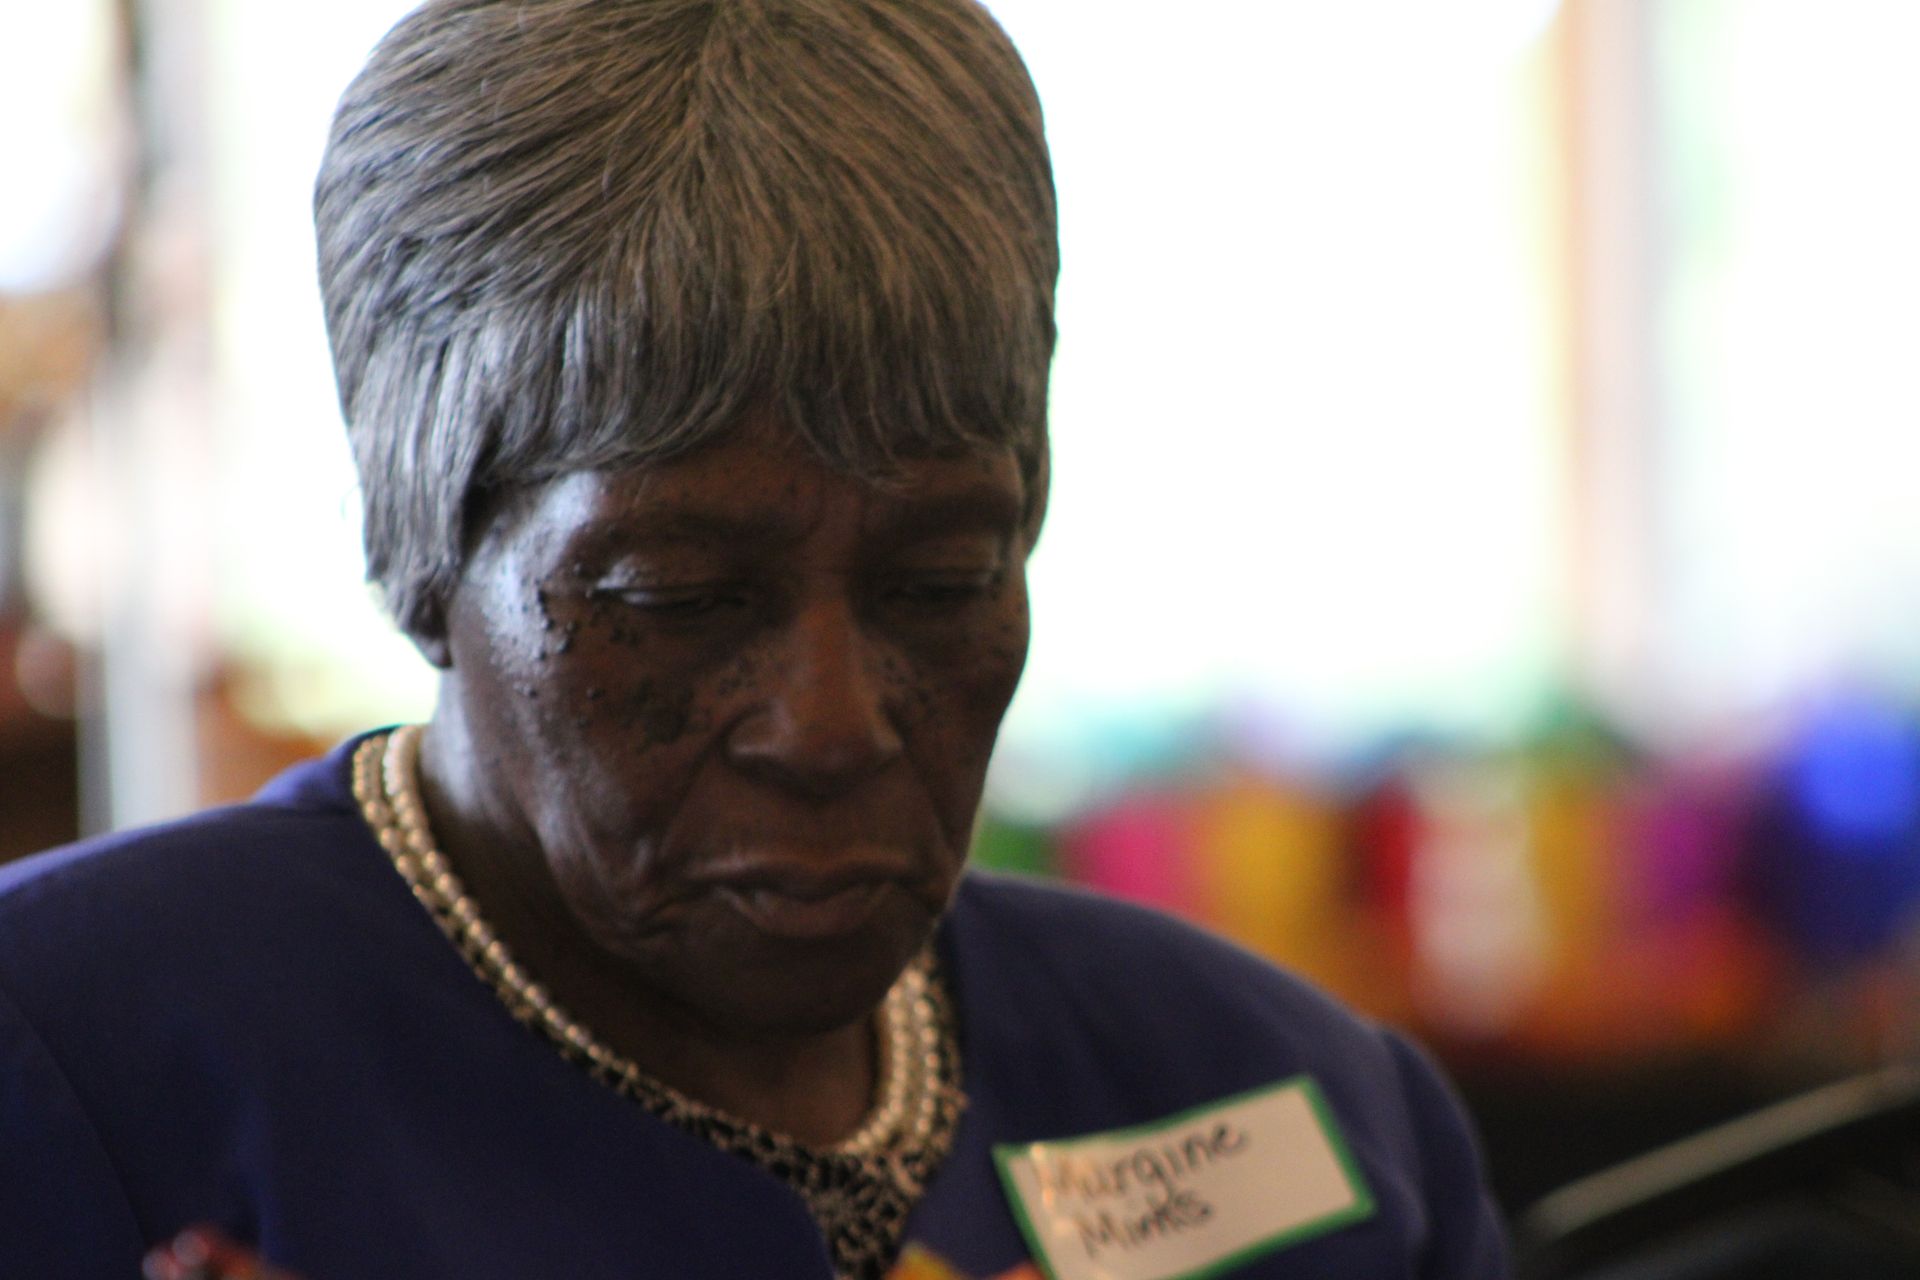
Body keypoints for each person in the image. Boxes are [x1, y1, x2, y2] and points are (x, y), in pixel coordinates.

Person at [0, 1, 1510, 1277]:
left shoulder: (1288, 1094)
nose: (831, 724)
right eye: (677, 598)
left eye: (941, 582)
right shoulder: (70, 1068)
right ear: (421, 543)